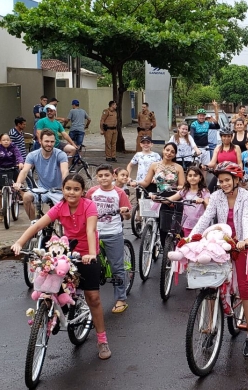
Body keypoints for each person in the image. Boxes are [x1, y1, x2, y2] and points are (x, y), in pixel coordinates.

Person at [11, 173, 112, 360]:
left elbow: (91, 231)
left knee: (93, 297)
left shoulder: (89, 206)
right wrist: (19, 243)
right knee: (50, 285)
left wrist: (90, 254)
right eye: (68, 189)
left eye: (76, 189)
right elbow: (36, 226)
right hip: (66, 254)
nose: (71, 192)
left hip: (87, 255)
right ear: (63, 190)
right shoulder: (60, 207)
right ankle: (53, 313)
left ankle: (102, 339)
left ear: (82, 192)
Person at [189, 161, 248, 357]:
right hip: (219, 242)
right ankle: (211, 326)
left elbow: (246, 218)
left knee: (244, 287)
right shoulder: (217, 196)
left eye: (227, 180)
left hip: (239, 243)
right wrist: (191, 236)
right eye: (221, 181)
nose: (224, 184)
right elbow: (206, 217)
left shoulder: (245, 196)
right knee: (211, 284)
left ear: (237, 180)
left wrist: (246, 239)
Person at [86, 164, 132, 314]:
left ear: (113, 176)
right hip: (94, 233)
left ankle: (121, 299)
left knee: (117, 268)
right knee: (88, 266)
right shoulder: (92, 192)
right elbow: (84, 208)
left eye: (107, 175)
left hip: (113, 233)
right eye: (100, 176)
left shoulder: (119, 193)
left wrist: (125, 213)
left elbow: (128, 215)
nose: (103, 178)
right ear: (96, 178)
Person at [13, 129, 69, 220]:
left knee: (65, 214)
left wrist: (65, 187)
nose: (49, 144)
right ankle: (34, 225)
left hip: (59, 190)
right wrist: (18, 182)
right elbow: (25, 171)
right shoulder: (33, 155)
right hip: (42, 190)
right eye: (46, 141)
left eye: (52, 142)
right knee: (26, 197)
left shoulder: (60, 154)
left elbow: (65, 171)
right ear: (40, 141)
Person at [138, 142, 186, 236]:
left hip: (171, 196)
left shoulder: (178, 167)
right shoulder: (154, 165)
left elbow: (182, 186)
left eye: (172, 152)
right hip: (158, 195)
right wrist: (135, 182)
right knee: (157, 222)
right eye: (167, 150)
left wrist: (173, 187)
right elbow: (146, 182)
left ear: (175, 154)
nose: (169, 153)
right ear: (163, 150)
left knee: (167, 226)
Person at [0, 133, 25, 223]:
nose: (6, 141)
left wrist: (20, 162)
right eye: (4, 140)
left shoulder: (13, 147)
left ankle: (23, 199)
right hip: (3, 170)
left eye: (8, 140)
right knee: (0, 192)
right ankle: (2, 211)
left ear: (10, 141)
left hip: (13, 169)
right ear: (0, 141)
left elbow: (18, 155)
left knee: (20, 186)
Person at [167, 166, 210, 236]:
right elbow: (170, 199)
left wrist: (203, 201)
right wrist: (156, 198)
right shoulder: (185, 191)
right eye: (190, 176)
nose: (192, 177)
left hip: (200, 224)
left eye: (195, 175)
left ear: (200, 178)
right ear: (186, 178)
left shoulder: (204, 191)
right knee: (187, 243)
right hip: (187, 224)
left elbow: (208, 206)